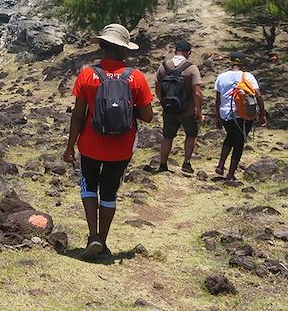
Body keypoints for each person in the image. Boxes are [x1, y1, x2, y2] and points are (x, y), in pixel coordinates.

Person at [63, 23, 154, 260]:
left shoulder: (87, 75)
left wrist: (70, 145)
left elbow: (78, 115)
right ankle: (102, 241)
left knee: (88, 186)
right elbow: (147, 116)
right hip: (121, 148)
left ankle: (92, 235)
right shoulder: (136, 78)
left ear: (102, 46)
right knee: (110, 192)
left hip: (90, 144)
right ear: (124, 50)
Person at [214, 52, 267, 181]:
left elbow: (217, 100)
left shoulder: (221, 77)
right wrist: (262, 114)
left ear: (231, 62)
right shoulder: (248, 76)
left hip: (225, 114)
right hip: (243, 114)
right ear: (243, 63)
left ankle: (221, 165)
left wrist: (217, 117)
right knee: (239, 142)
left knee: (230, 136)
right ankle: (231, 173)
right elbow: (258, 95)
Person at [155, 40, 203, 174]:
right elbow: (197, 92)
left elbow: (157, 87)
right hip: (187, 111)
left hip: (169, 109)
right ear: (188, 53)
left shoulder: (163, 66)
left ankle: (163, 164)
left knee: (167, 137)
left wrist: (163, 102)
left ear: (175, 51)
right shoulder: (192, 68)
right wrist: (198, 111)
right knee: (191, 135)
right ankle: (186, 163)